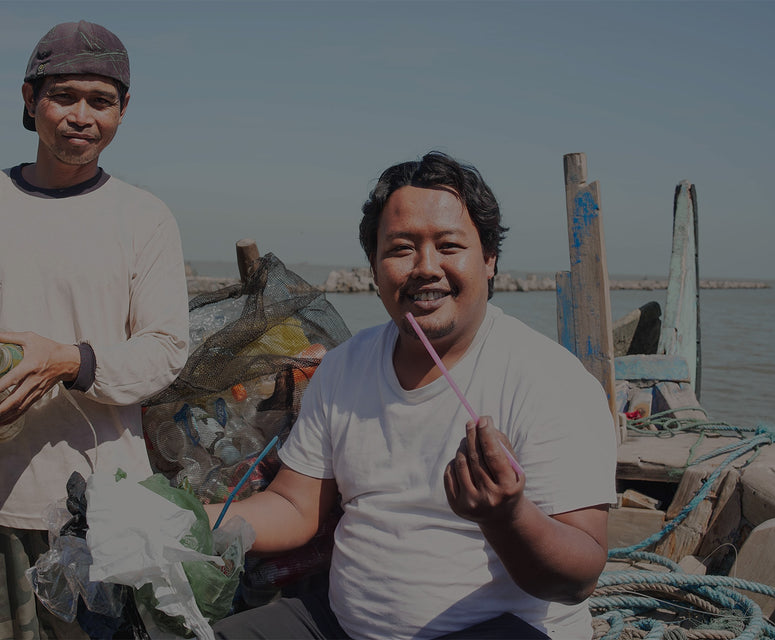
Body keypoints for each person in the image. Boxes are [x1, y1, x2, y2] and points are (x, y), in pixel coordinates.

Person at [209, 152, 616, 639]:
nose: (426, 268)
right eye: (401, 249)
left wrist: (506, 516)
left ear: (489, 261)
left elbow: (577, 579)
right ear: (375, 268)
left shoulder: (551, 379)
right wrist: (188, 519)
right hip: (340, 625)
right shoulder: (342, 368)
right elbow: (296, 509)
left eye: (449, 246)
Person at [0, 20, 189, 640]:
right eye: (63, 96)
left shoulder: (144, 218)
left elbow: (166, 353)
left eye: (100, 101)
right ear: (30, 101)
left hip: (105, 509)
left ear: (123, 110)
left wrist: (69, 360)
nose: (81, 116)